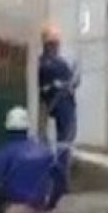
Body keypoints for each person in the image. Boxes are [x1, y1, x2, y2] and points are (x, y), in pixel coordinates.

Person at [38, 23, 80, 164]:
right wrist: (56, 85)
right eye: (54, 44)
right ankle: (59, 168)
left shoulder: (58, 63)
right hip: (58, 104)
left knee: (66, 138)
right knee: (65, 139)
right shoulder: (44, 63)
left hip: (62, 103)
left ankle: (60, 164)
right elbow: (43, 87)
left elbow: (72, 82)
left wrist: (72, 81)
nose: (56, 47)